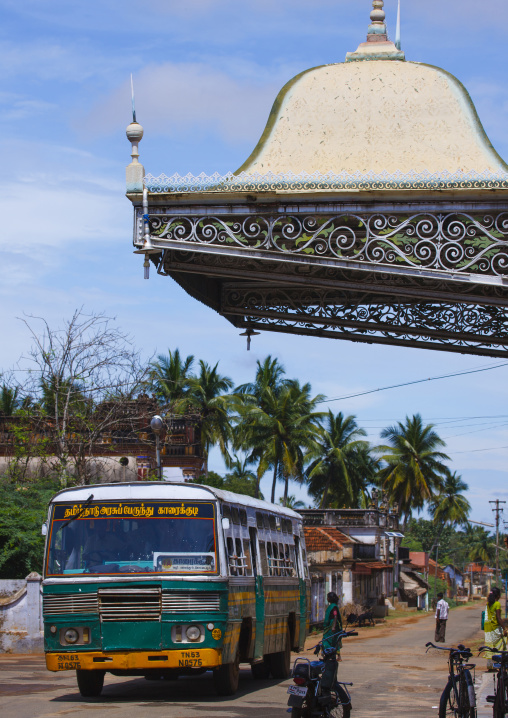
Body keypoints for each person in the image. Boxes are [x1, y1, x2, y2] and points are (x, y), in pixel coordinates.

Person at [485, 587, 507, 670]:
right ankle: (496, 664)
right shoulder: (497, 604)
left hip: (488, 629)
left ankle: (490, 665)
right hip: (495, 628)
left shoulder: (488, 604)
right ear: (498, 595)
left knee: (490, 646)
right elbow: (498, 617)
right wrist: (504, 628)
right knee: (501, 644)